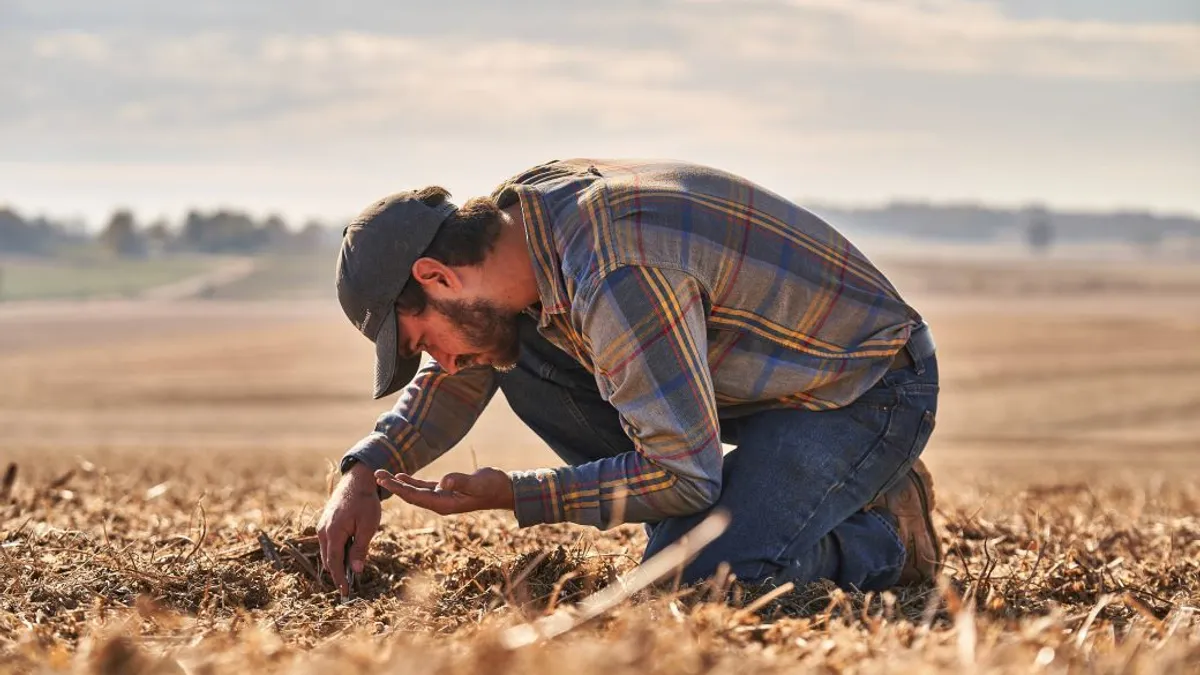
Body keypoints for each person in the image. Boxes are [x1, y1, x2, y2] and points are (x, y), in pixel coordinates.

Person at [317, 159, 941, 598]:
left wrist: (515, 492)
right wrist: (364, 473)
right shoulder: (525, 229)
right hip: (762, 378)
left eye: (424, 342)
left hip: (862, 388)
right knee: (507, 352)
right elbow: (459, 373)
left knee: (696, 581)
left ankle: (885, 535)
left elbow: (684, 476)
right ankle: (703, 520)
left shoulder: (616, 273)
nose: (441, 363)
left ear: (437, 275)